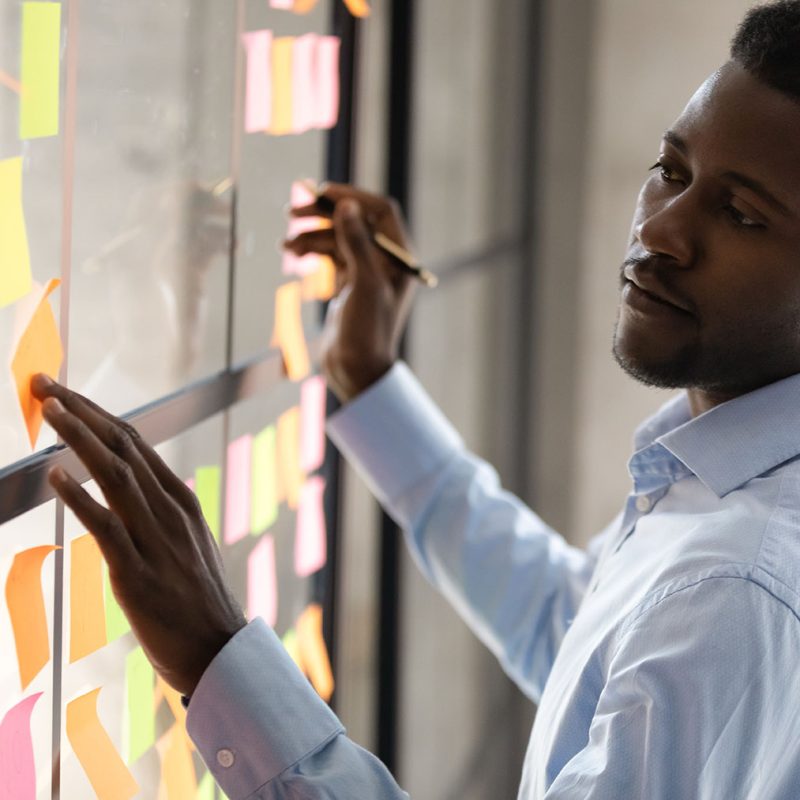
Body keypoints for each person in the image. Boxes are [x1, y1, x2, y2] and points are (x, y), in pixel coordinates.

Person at [30, 2, 800, 797]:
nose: (663, 231)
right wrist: (370, 383)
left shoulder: (738, 586)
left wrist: (215, 654)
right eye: (672, 171)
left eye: (741, 214)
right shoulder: (714, 488)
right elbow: (576, 637)